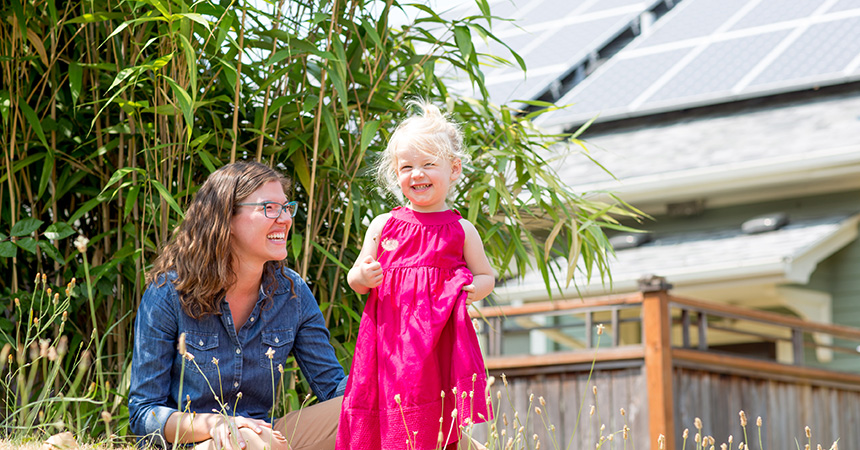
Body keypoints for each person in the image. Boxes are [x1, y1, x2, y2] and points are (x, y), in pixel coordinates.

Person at [129, 161, 346, 450]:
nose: (284, 219)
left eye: (286, 207)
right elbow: (145, 412)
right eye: (269, 208)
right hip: (202, 442)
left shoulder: (292, 293)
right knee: (250, 442)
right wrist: (216, 424)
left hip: (268, 436)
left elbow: (332, 388)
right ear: (225, 219)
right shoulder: (168, 294)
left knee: (386, 410)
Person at [336, 100, 495, 450]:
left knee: (434, 418)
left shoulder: (461, 229)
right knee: (386, 410)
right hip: (389, 343)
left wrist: (467, 288)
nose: (417, 174)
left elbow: (487, 276)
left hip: (438, 342)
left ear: (454, 169)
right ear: (395, 173)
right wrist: (365, 274)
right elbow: (355, 277)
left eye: (428, 165)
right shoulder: (383, 225)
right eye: (406, 167)